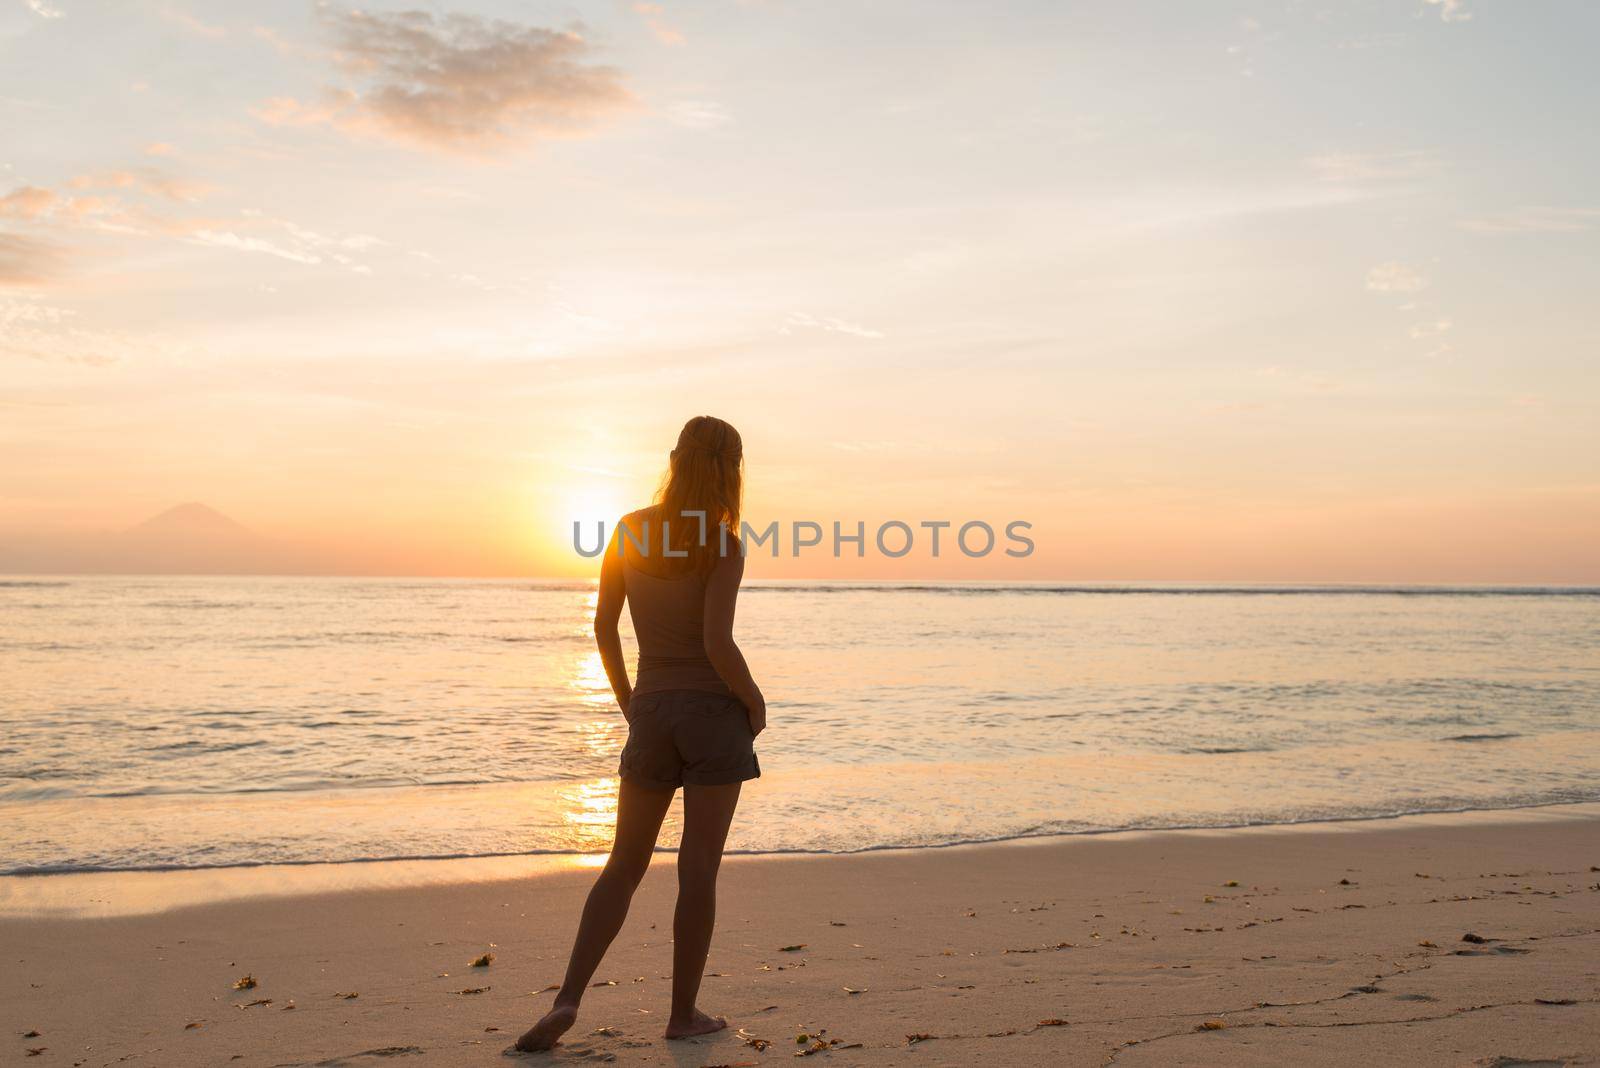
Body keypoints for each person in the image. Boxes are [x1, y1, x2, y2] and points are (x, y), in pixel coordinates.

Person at [515, 415, 767, 1051]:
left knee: (623, 864)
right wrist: (754, 699)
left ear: (675, 459)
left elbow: (604, 627)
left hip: (651, 713)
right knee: (698, 871)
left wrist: (632, 699)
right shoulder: (723, 541)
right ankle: (682, 1015)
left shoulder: (629, 529)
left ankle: (568, 997)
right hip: (712, 717)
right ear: (733, 469)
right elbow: (716, 642)